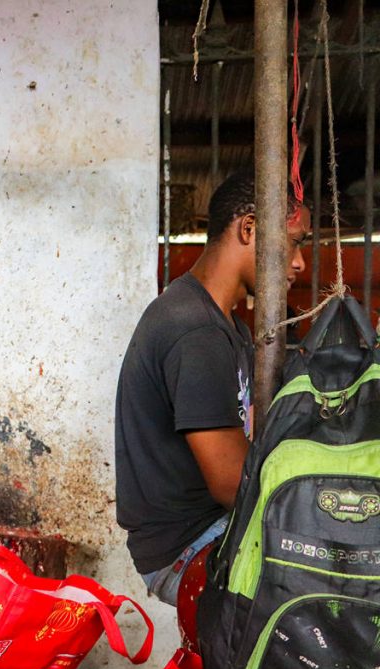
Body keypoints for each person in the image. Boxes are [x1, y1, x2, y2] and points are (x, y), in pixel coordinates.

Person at [115, 170, 308, 607]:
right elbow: (230, 484)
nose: (300, 263)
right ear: (249, 228)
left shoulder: (227, 327)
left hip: (204, 526)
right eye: (296, 241)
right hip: (187, 544)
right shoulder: (195, 330)